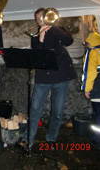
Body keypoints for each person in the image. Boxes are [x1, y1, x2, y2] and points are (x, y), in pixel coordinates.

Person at [20, 8, 77, 149]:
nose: (42, 20)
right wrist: (41, 36)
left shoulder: (59, 29)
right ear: (37, 21)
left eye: (44, 17)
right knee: (35, 109)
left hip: (62, 75)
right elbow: (37, 50)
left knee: (57, 111)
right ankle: (28, 139)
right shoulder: (35, 34)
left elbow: (68, 41)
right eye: (39, 18)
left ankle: (51, 139)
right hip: (43, 76)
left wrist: (55, 27)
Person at [81, 32, 100, 150]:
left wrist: (86, 88)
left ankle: (97, 142)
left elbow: (90, 72)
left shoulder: (93, 52)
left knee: (98, 117)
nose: (86, 46)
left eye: (87, 43)